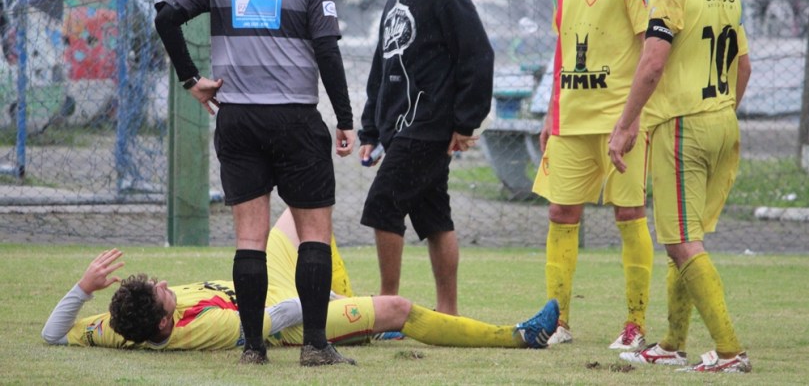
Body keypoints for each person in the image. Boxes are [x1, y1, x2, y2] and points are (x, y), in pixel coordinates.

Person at [153, 0, 356, 366]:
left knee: (250, 237)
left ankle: (253, 350)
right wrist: (345, 120)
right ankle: (315, 346)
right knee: (313, 233)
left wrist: (192, 79)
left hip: (237, 117)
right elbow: (327, 52)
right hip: (294, 117)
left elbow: (166, 16)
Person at [42, 208, 560, 352]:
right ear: (164, 321)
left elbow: (52, 334)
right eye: (161, 291)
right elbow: (278, 318)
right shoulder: (203, 328)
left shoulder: (116, 326)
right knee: (398, 307)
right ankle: (515, 336)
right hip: (290, 316)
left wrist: (84, 287)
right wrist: (327, 299)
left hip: (268, 286)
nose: (163, 283)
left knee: (303, 212)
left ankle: (364, 313)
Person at [608, 0, 752, 374]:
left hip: (682, 125)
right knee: (684, 235)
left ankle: (730, 352)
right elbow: (744, 65)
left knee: (681, 241)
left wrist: (624, 126)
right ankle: (671, 342)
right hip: (722, 121)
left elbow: (652, 62)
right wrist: (723, 111)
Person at [531, 0, 655, 349]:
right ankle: (557, 319)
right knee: (560, 214)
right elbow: (562, 46)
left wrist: (634, 118)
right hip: (570, 119)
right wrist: (550, 111)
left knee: (629, 213)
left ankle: (635, 324)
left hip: (618, 121)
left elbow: (649, 48)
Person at [357, 0, 494, 316]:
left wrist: (465, 122)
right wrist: (370, 130)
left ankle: (387, 306)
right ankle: (447, 313)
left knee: (383, 205)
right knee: (434, 218)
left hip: (428, 127)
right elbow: (380, 71)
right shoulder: (393, 0)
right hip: (400, 131)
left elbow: (478, 57)